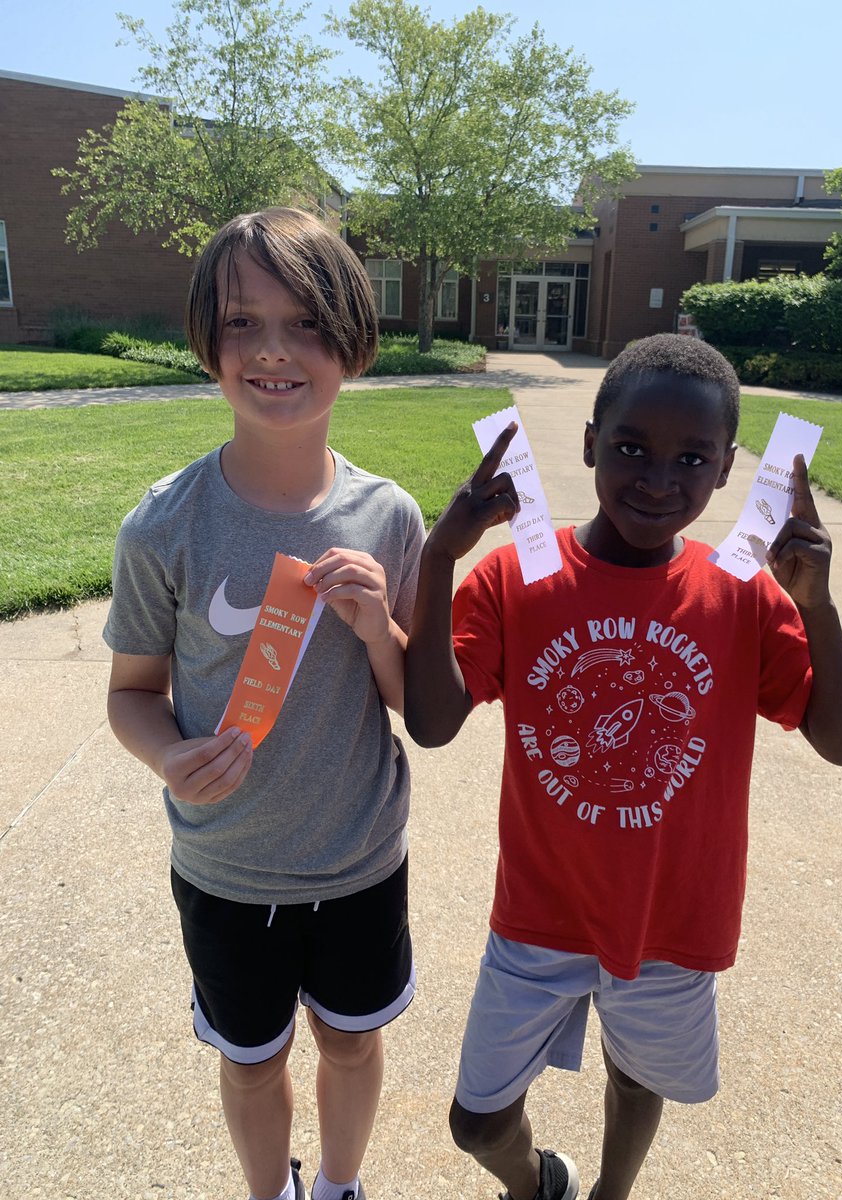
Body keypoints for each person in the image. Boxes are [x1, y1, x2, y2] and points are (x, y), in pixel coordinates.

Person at [404, 333, 842, 1200]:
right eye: (630, 449)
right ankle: (536, 1181)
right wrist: (439, 559)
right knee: (476, 1121)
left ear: (727, 468)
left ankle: (613, 1195)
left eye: (691, 458)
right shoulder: (518, 578)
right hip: (540, 912)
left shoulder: (741, 592)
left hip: (671, 913)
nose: (658, 480)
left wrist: (817, 605)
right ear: (589, 443)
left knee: (637, 1074)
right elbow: (431, 724)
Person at [103, 207, 424, 1200]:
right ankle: (270, 1193)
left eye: (308, 323)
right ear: (207, 341)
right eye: (243, 322)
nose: (275, 351)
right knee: (247, 1059)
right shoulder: (165, 524)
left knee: (354, 1044)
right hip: (226, 865)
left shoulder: (389, 516)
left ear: (355, 344)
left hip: (360, 853)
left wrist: (378, 629)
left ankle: (335, 1184)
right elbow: (132, 695)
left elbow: (414, 701)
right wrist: (166, 755)